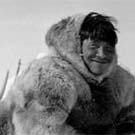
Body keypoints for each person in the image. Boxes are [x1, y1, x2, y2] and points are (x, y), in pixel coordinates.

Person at [0, 12, 135, 135]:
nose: (101, 54)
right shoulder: (51, 76)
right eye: (93, 47)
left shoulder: (121, 82)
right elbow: (43, 130)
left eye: (108, 49)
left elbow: (129, 119)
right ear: (78, 47)